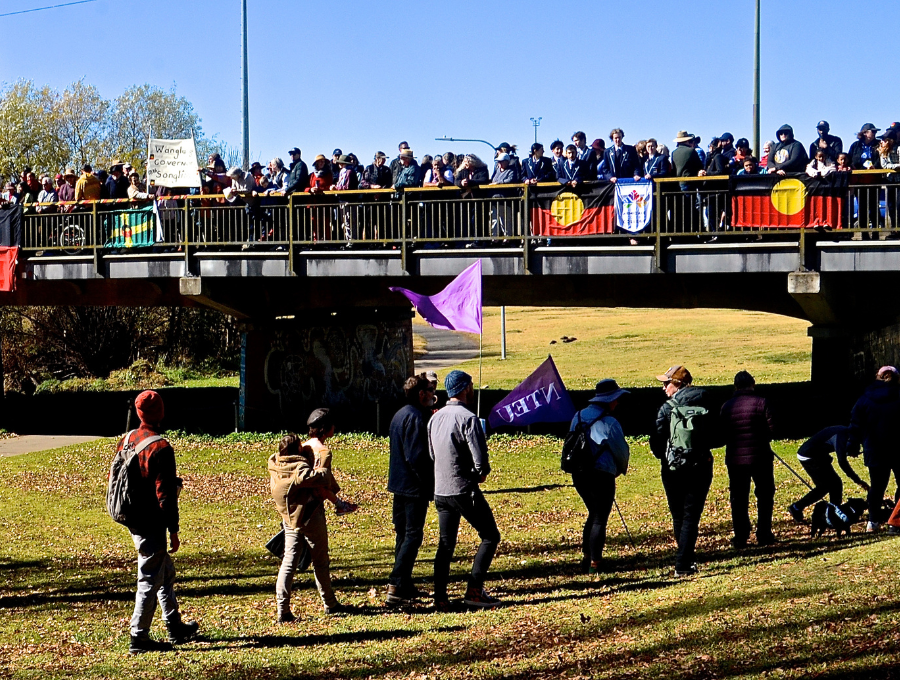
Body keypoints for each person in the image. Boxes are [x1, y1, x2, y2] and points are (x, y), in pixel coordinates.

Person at [122, 390, 199, 654]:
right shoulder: (162, 447)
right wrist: (174, 531)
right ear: (161, 413)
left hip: (130, 516)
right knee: (149, 578)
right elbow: (165, 496)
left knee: (164, 571)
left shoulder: (128, 438)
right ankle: (138, 637)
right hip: (149, 520)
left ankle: (174, 625)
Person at [429, 370, 501, 609]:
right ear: (464, 388)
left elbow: (432, 454)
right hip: (463, 489)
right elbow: (480, 457)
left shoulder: (434, 418)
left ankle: (440, 596)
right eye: (470, 385)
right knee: (490, 535)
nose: (472, 389)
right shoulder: (467, 418)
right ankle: (474, 591)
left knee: (445, 544)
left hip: (441, 490)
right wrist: (480, 472)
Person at [268, 409, 346, 622]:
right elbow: (319, 483)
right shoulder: (321, 453)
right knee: (320, 560)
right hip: (310, 513)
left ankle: (282, 610)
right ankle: (330, 603)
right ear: (325, 428)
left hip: (290, 516)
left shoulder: (282, 458)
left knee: (289, 561)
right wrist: (336, 499)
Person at [651, 365, 716, 576]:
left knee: (678, 514)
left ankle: (683, 561)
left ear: (677, 384)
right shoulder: (707, 401)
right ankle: (684, 561)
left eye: (666, 383)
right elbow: (719, 434)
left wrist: (666, 457)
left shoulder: (666, 408)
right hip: (700, 465)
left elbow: (656, 441)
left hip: (672, 469)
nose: (663, 388)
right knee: (691, 516)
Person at [569, 379, 630, 574]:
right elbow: (622, 453)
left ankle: (587, 556)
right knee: (599, 519)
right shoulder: (610, 423)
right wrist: (619, 470)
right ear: (610, 400)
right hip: (601, 476)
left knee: (593, 514)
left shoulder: (577, 416)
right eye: (616, 399)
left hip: (579, 475)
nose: (618, 403)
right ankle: (595, 563)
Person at [386, 373, 436, 606]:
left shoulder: (399, 414)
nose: (434, 395)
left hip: (399, 485)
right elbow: (416, 457)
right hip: (413, 487)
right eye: (430, 391)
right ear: (421, 394)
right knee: (413, 536)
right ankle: (396, 584)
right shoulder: (415, 417)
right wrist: (429, 484)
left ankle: (403, 583)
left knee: (403, 535)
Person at [719, 371, 777, 549]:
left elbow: (722, 434)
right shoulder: (762, 402)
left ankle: (741, 535)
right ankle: (764, 533)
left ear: (736, 386)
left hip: (736, 459)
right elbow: (773, 429)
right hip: (760, 456)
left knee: (738, 497)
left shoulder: (727, 406)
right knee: (765, 495)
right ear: (753, 384)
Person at [847, 366, 900, 531]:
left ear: (878, 377)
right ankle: (895, 519)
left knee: (877, 487)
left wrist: (852, 446)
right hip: (898, 449)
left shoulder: (865, 399)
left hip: (875, 449)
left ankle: (873, 521)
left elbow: (855, 424)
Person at [787, 426, 870, 523]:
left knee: (834, 484)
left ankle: (832, 512)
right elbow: (842, 462)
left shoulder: (847, 434)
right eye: (853, 453)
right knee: (825, 486)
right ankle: (799, 508)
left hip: (819, 455)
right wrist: (858, 480)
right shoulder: (841, 437)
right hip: (808, 456)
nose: (855, 456)